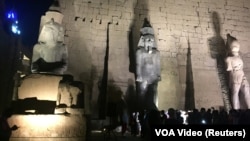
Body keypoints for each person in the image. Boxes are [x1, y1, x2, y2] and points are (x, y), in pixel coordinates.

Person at [136, 18, 161, 111]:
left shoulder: (156, 53)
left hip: (153, 76)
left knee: (154, 93)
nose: (150, 42)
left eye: (151, 40)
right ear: (143, 40)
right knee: (142, 93)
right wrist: (138, 75)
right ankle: (141, 110)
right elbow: (138, 64)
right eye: (148, 40)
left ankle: (154, 109)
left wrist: (158, 75)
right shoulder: (140, 52)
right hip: (143, 75)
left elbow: (157, 65)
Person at [225, 36, 250, 110]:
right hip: (235, 75)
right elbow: (229, 70)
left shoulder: (239, 57)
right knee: (235, 92)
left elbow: (242, 67)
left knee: (247, 90)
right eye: (234, 46)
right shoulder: (229, 59)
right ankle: (236, 110)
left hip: (241, 74)